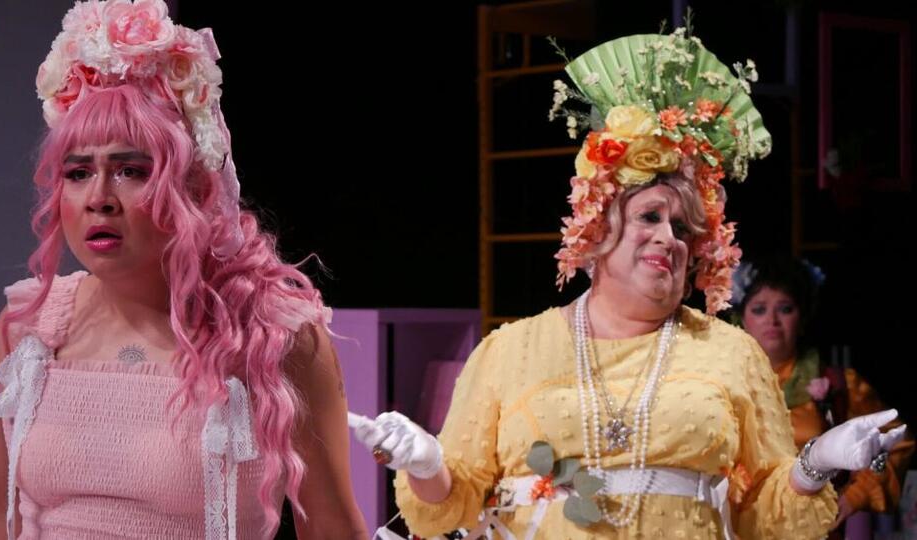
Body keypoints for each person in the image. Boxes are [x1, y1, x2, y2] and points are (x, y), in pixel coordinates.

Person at [349, 23, 907, 539]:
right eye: (649, 217)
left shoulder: (731, 354)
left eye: (683, 228)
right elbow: (453, 506)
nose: (669, 237)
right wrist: (427, 465)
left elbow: (766, 517)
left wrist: (815, 464)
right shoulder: (510, 351)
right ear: (597, 228)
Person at [0, 1, 367, 538]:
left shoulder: (273, 337)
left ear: (194, 187)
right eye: (78, 172)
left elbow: (333, 528)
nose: (98, 197)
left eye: (131, 170)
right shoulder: (28, 330)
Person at [735, 257, 914, 528]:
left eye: (785, 309)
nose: (772, 320)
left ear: (802, 318)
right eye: (759, 309)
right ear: (742, 320)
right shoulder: (722, 384)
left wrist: (856, 495)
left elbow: (897, 439)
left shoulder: (838, 383)